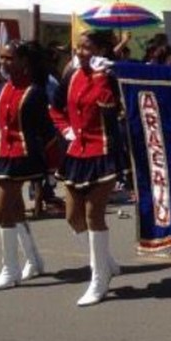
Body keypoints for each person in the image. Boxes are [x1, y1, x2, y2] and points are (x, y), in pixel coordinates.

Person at [49, 31, 126, 306]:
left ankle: (99, 278)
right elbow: (55, 107)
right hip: (75, 152)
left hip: (103, 151)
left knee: (94, 215)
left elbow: (110, 107)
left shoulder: (110, 76)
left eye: (86, 47)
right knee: (73, 217)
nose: (80, 52)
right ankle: (104, 261)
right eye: (78, 47)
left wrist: (103, 77)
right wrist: (66, 129)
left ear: (100, 50)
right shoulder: (70, 75)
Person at [0, 42, 58, 291]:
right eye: (1, 57)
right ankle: (33, 260)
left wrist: (53, 166)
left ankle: (9, 270)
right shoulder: (1, 89)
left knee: (0, 210)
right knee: (15, 209)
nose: (4, 62)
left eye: (9, 58)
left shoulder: (35, 91)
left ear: (24, 62)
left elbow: (47, 130)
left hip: (24, 156)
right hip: (2, 154)